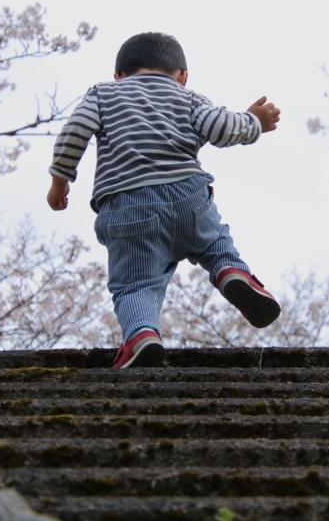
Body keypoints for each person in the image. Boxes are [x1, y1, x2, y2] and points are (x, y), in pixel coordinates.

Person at [46, 31, 281, 369]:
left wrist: (60, 182)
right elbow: (220, 128)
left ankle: (142, 334)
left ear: (119, 75)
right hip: (188, 196)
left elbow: (74, 132)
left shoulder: (104, 93)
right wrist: (253, 122)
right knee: (214, 241)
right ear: (183, 76)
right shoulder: (189, 98)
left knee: (136, 283)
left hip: (128, 206)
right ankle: (230, 270)